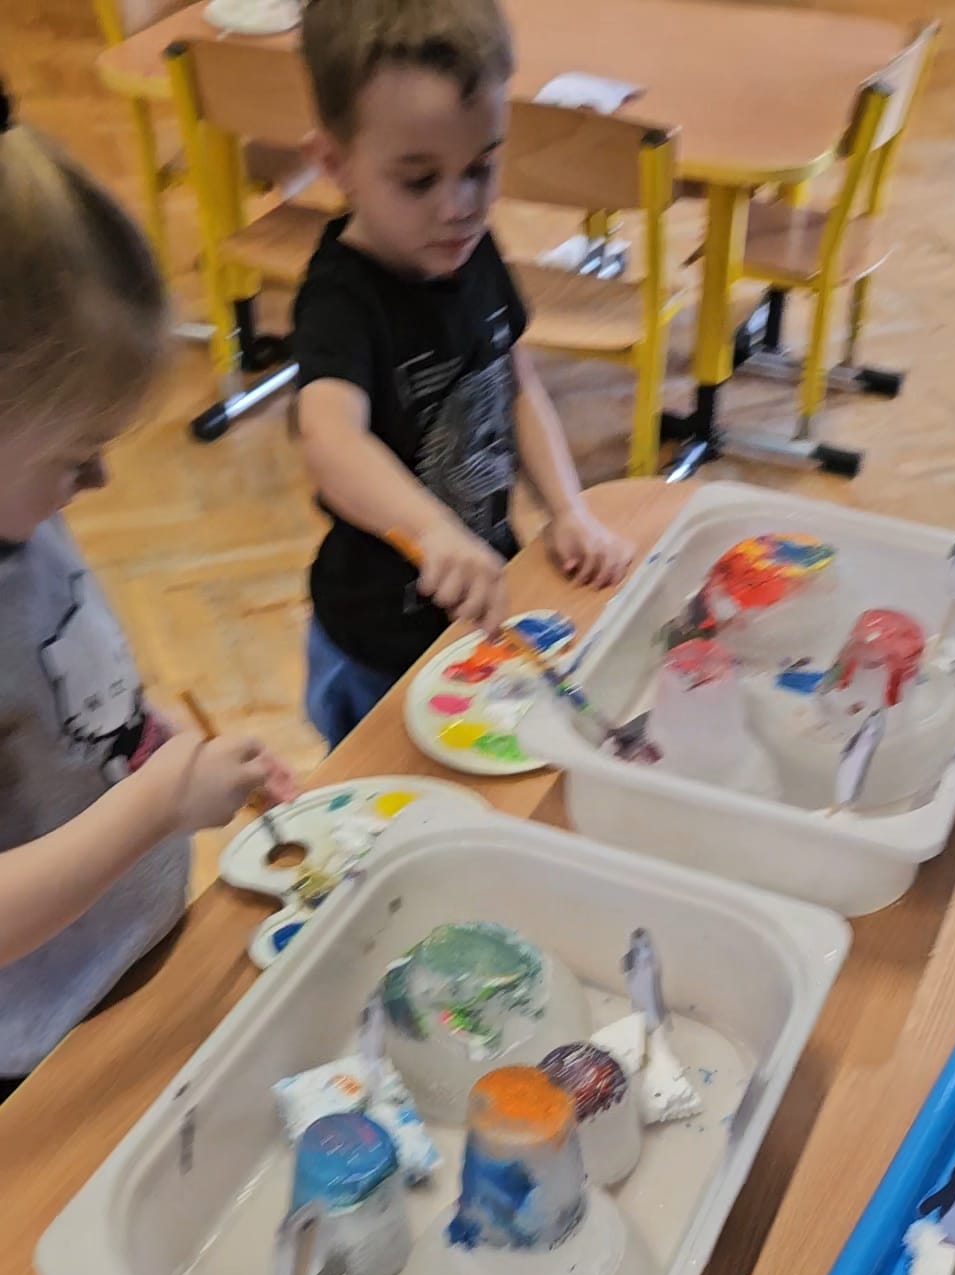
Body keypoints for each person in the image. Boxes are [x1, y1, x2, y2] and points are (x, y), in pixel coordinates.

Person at [0, 91, 295, 1096]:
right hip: (44, 1054)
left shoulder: (22, 509)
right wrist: (159, 805)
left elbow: (69, 704)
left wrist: (159, 745)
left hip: (134, 965)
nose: (99, 483)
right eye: (77, 453)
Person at [294, 0, 636, 749]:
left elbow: (519, 386)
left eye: (481, 168)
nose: (460, 207)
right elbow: (330, 440)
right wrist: (431, 532)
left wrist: (568, 511)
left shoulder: (470, 247)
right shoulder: (340, 299)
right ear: (335, 164)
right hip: (375, 648)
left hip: (479, 616)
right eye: (418, 181)